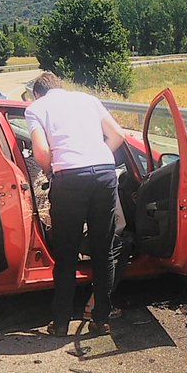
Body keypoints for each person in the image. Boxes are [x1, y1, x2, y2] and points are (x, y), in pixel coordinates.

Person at [24, 72, 128, 337]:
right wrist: (99, 154)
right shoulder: (87, 99)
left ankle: (60, 323)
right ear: (61, 87)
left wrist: (51, 172)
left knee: (67, 253)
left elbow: (41, 152)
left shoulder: (36, 108)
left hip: (69, 178)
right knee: (103, 250)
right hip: (105, 174)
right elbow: (118, 135)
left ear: (38, 93)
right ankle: (101, 319)